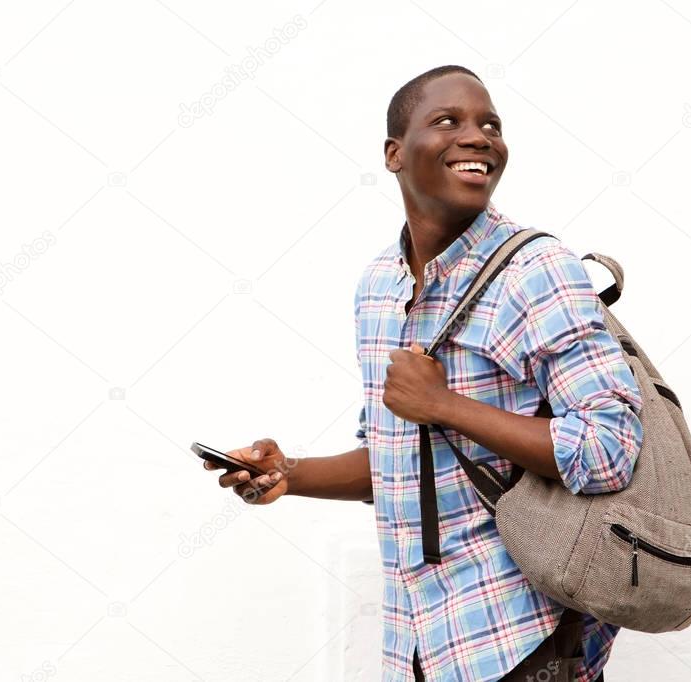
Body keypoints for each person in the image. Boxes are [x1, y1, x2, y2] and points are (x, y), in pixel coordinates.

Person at [204, 65, 643, 681]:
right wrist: (289, 474)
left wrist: (445, 405)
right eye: (448, 121)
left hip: (525, 634)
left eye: (490, 125)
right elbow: (398, 463)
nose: (479, 137)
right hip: (419, 641)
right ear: (394, 154)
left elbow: (610, 448)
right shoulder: (378, 286)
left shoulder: (537, 271)